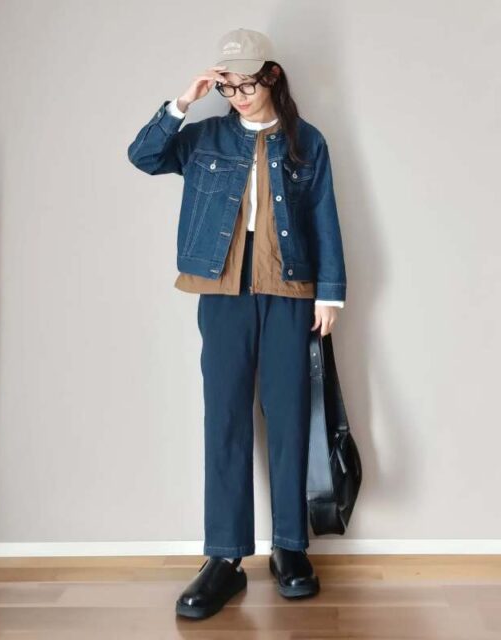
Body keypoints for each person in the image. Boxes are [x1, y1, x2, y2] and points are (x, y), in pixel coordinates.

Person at [127, 28, 347, 620]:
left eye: (246, 83)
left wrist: (330, 293)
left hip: (290, 290)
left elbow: (323, 216)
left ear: (271, 76)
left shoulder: (306, 140)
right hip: (222, 290)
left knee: (290, 417)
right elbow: (143, 156)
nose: (238, 95)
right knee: (224, 417)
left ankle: (290, 548)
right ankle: (224, 558)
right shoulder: (204, 136)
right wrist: (183, 103)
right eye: (228, 85)